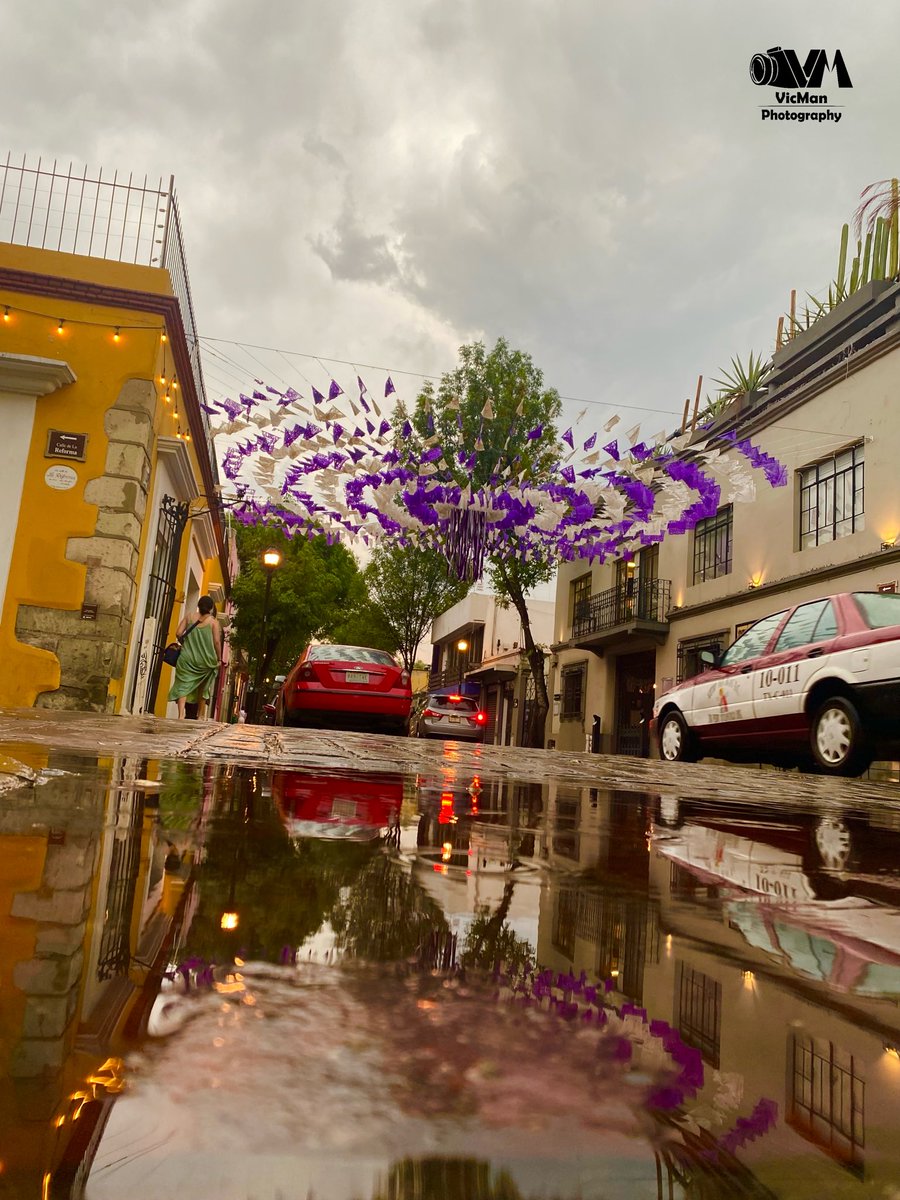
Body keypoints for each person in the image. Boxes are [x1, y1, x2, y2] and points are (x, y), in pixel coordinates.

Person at [168, 595, 222, 719]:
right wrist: (219, 658)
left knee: (183, 684)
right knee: (203, 687)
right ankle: (200, 715)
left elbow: (178, 633)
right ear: (211, 608)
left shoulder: (189, 616)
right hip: (205, 660)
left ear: (198, 606)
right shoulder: (213, 622)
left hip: (186, 658)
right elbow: (217, 642)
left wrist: (187, 643)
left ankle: (181, 715)